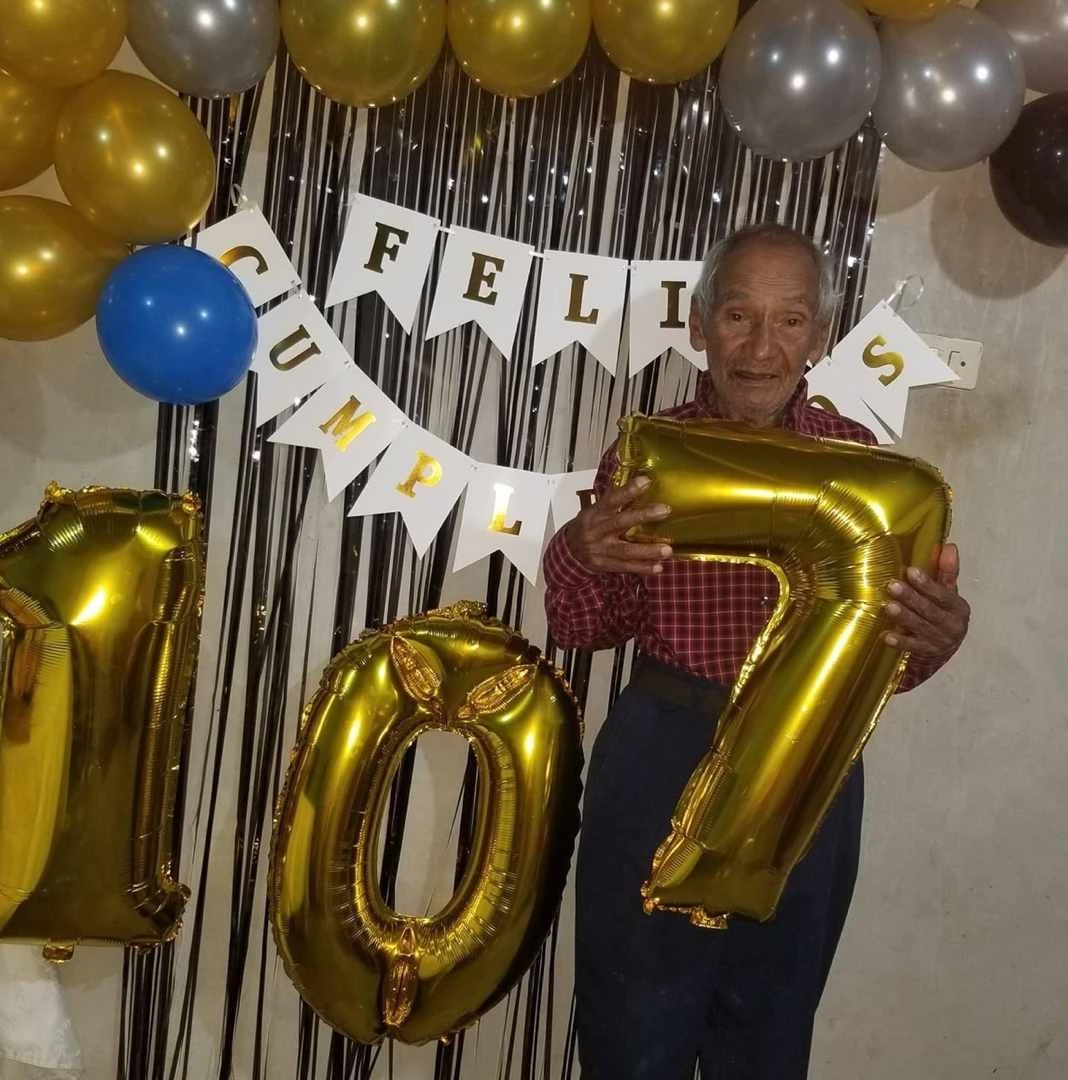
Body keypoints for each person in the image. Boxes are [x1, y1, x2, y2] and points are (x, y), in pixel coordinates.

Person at [542, 223, 971, 1079]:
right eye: (739, 316)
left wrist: (938, 636)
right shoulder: (653, 455)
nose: (761, 347)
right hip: (663, 750)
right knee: (633, 1030)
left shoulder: (861, 468)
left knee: (769, 1036)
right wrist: (579, 551)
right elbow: (586, 628)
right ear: (699, 325)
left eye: (790, 320)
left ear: (819, 335)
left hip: (811, 762)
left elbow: (889, 658)